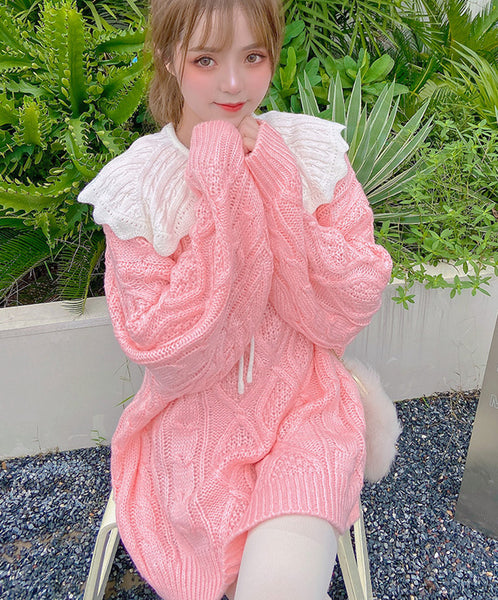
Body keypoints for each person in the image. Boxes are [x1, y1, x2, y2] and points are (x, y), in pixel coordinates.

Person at [78, 1, 393, 599]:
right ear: (169, 56)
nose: (233, 84)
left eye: (253, 57)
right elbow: (168, 351)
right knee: (210, 559)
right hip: (195, 424)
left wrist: (274, 177)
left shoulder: (309, 151)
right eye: (205, 59)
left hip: (305, 406)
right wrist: (220, 187)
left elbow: (351, 297)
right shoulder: (138, 187)